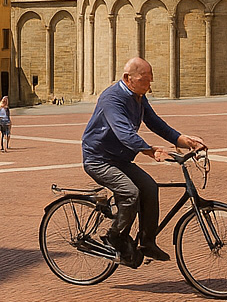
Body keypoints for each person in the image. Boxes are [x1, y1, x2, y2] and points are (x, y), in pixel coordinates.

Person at [82, 57, 205, 267]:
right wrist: (150, 151)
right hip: (99, 159)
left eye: (150, 80)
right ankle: (115, 237)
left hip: (119, 159)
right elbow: (124, 133)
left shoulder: (138, 96)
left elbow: (155, 122)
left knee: (149, 187)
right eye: (145, 80)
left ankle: (147, 242)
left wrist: (182, 140)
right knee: (130, 192)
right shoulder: (112, 98)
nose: (149, 86)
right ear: (128, 79)